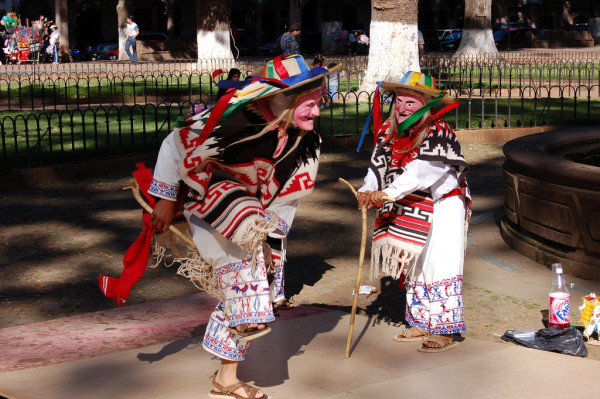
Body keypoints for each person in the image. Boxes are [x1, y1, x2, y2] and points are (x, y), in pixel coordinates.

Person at [99, 55, 341, 398]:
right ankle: (226, 375)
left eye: (319, 104)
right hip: (213, 203)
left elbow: (287, 195)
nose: (317, 112)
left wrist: (274, 239)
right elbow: (175, 143)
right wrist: (166, 199)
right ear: (283, 99)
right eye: (309, 105)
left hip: (253, 215)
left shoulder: (303, 138)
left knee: (249, 289)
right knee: (246, 282)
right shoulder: (238, 121)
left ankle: (226, 377)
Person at [357, 71, 471, 353]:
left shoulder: (438, 130)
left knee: (441, 263)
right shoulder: (388, 130)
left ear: (427, 105)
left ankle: (445, 329)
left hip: (445, 203)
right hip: (412, 203)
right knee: (416, 264)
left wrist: (387, 194)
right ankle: (421, 320)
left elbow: (424, 170)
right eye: (399, 101)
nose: (402, 108)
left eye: (411, 103)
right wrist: (367, 189)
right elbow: (378, 165)